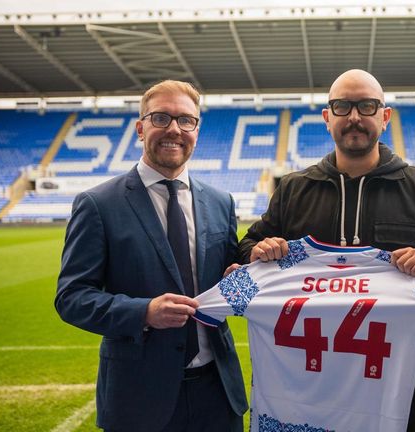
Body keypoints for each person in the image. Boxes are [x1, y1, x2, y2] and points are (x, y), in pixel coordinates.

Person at [235, 69, 415, 432]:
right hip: (307, 388)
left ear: (384, 117)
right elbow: (246, 247)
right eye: (343, 106)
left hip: (398, 388)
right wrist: (259, 251)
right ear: (327, 118)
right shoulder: (293, 190)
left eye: (366, 106)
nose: (354, 116)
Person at [55, 80, 248, 431]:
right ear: (140, 129)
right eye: (161, 118)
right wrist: (143, 312)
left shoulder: (221, 202)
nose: (174, 129)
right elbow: (71, 297)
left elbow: (226, 275)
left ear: (197, 130)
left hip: (218, 394)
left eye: (185, 120)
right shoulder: (98, 204)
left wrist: (239, 276)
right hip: (138, 397)